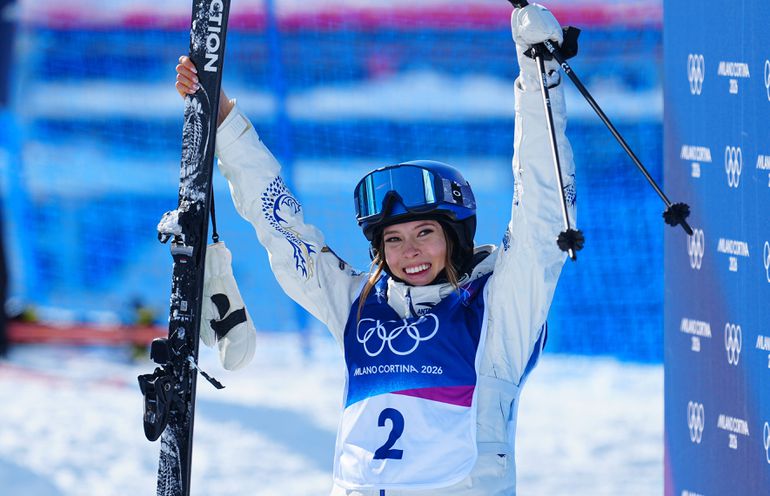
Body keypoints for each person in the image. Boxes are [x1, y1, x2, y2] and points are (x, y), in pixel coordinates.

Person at [176, 4, 576, 495]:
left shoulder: (498, 315)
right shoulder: (358, 306)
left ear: (455, 237)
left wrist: (539, 78)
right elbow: (282, 227)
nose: (410, 251)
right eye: (393, 239)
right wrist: (226, 124)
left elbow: (542, 219)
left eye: (424, 233)